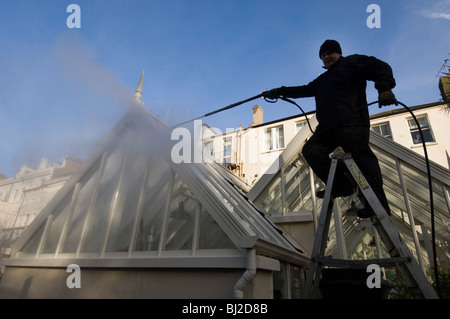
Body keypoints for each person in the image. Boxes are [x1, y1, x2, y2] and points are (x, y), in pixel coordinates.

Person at [264, 39, 397, 218]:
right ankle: (341, 185)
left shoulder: (351, 63)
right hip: (328, 128)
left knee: (364, 163)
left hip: (352, 123)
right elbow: (304, 89)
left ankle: (379, 206)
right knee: (311, 150)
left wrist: (384, 89)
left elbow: (381, 68)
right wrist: (280, 91)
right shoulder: (323, 79)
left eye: (329, 53)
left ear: (338, 53)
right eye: (323, 55)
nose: (326, 57)